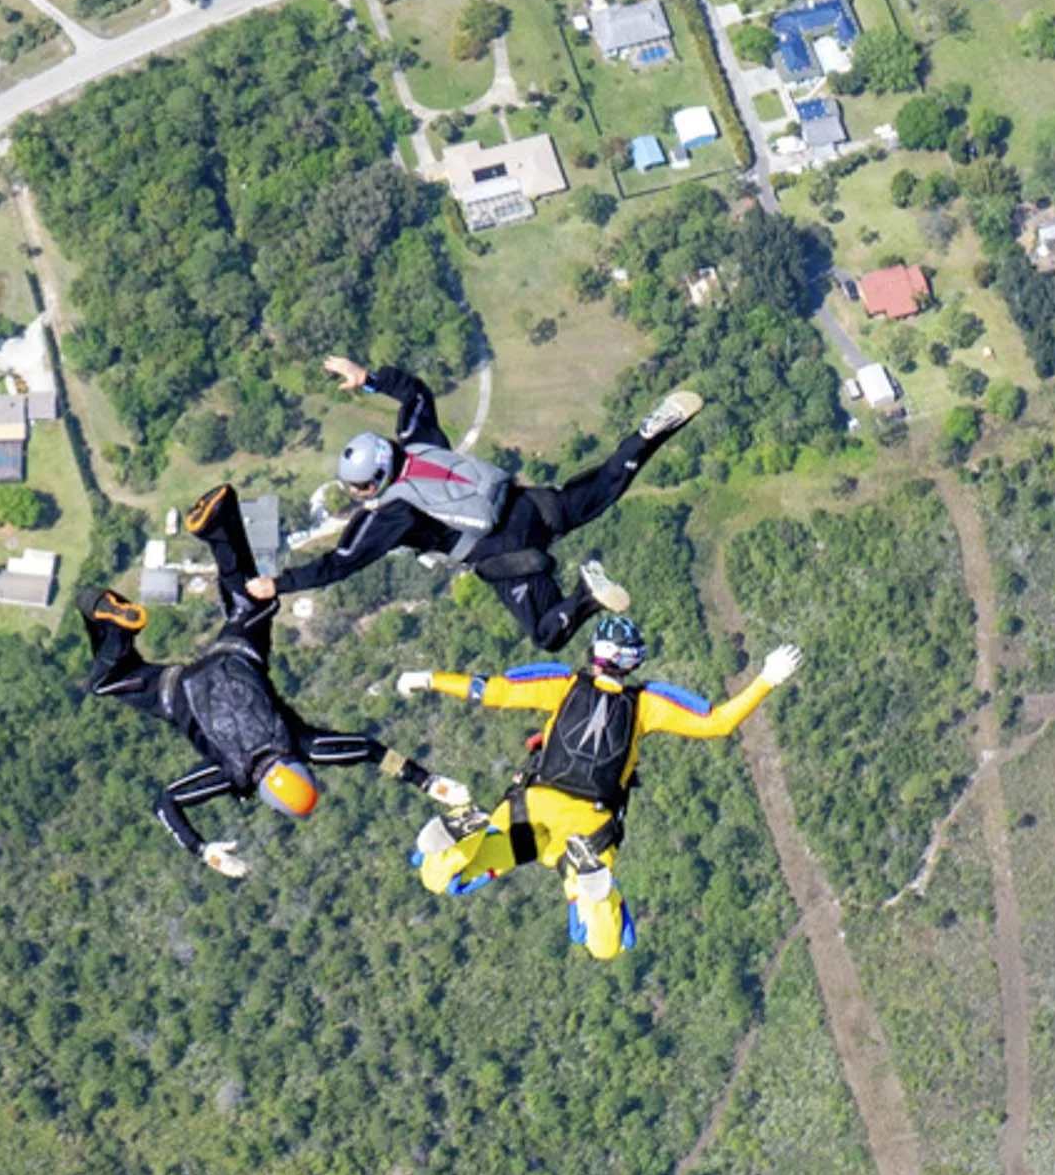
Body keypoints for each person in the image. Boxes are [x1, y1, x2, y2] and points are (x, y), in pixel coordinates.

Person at [80, 483, 467, 876]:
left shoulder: (300, 745)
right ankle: (110, 623)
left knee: (252, 601)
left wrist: (428, 781)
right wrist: (203, 850)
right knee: (109, 679)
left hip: (235, 656)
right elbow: (167, 803)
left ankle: (218, 524)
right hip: (178, 692)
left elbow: (369, 750)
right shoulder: (231, 773)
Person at [399, 616, 801, 960]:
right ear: (634, 660)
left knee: (439, 878)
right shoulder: (645, 705)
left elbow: (491, 691)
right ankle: (595, 889)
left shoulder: (564, 684)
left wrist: (429, 679)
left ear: (595, 651)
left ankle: (464, 824)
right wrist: (767, 679)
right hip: (588, 830)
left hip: (529, 810)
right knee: (604, 945)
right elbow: (717, 723)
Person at [247, 356, 704, 652]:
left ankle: (587, 593)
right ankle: (649, 434)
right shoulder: (419, 440)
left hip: (506, 553)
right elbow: (415, 393)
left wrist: (279, 584)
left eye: (360, 488)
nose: (357, 495)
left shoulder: (391, 513)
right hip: (531, 506)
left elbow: (339, 563)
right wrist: (368, 379)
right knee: (604, 484)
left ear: (375, 482)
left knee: (548, 634)